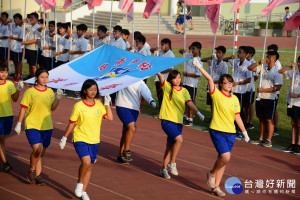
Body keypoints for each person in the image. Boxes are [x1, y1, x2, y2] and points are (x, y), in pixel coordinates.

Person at [192, 58, 250, 197]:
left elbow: (237, 117)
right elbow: (210, 79)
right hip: (217, 130)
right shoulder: (216, 94)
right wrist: (199, 66)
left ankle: (216, 187)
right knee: (226, 157)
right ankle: (211, 174)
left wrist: (245, 132)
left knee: (223, 160)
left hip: (231, 133)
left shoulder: (235, 99)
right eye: (226, 82)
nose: (229, 84)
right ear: (221, 84)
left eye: (231, 82)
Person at [58, 79, 113, 200]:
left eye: (95, 90)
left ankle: (83, 191)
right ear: (85, 90)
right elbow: (72, 123)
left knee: (90, 166)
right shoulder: (78, 106)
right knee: (86, 162)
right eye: (91, 90)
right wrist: (64, 137)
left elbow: (109, 118)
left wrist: (107, 104)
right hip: (80, 138)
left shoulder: (99, 104)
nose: (93, 92)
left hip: (94, 140)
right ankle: (79, 184)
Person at [15, 68, 63, 185]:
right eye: (42, 77)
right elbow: (23, 108)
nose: (45, 79)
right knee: (38, 149)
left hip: (47, 126)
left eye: (46, 77)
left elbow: (53, 108)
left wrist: (58, 98)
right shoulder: (30, 92)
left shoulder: (50, 92)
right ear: (36, 78)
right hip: (32, 125)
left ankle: (38, 175)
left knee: (42, 153)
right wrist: (19, 123)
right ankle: (31, 171)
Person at [157, 70, 204, 179]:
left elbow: (190, 103)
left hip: (178, 122)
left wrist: (198, 113)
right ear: (170, 79)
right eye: (175, 78)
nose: (178, 80)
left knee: (169, 146)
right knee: (179, 140)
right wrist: (158, 71)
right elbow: (160, 77)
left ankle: (163, 169)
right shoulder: (167, 87)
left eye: (179, 77)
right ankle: (172, 163)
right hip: (167, 120)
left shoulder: (184, 91)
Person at [248, 51, 283, 148]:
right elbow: (250, 68)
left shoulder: (277, 72)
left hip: (270, 99)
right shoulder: (262, 68)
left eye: (268, 57)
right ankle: (261, 137)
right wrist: (259, 62)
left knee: (268, 119)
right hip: (260, 98)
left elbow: (277, 88)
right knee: (261, 119)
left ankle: (269, 140)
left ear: (273, 59)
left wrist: (264, 90)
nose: (266, 59)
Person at [116, 81, 156, 163]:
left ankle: (120, 154)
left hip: (134, 108)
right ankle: (126, 151)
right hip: (122, 105)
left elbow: (145, 91)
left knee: (126, 131)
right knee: (132, 127)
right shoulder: (125, 75)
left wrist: (151, 100)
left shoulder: (140, 81)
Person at [0, 63, 23, 172]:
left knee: (3, 140)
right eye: (1, 72)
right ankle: (5, 163)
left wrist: (18, 89)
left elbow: (14, 99)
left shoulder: (9, 84)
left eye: (6, 71)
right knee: (1, 140)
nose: (4, 74)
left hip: (8, 116)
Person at [224, 46, 252, 134]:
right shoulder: (236, 62)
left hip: (240, 91)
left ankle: (240, 129)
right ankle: (232, 126)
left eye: (240, 52)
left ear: (246, 54)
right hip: (233, 90)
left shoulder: (248, 65)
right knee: (231, 109)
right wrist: (230, 57)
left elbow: (249, 79)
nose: (238, 54)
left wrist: (238, 83)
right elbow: (224, 59)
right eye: (238, 52)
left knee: (238, 110)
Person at [279, 57, 300, 154]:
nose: (299, 64)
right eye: (299, 62)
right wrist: (290, 67)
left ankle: (298, 145)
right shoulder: (294, 72)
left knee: (299, 124)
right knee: (293, 123)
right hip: (291, 102)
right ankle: (292, 143)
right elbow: (280, 71)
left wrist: (296, 95)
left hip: (298, 103)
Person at [179, 42, 202, 126]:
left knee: (191, 101)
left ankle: (191, 119)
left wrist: (187, 74)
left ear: (198, 49)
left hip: (192, 85)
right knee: (186, 101)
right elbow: (180, 51)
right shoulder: (189, 56)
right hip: (185, 82)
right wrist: (183, 50)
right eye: (191, 48)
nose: (192, 50)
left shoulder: (198, 61)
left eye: (194, 48)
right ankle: (187, 117)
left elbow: (198, 74)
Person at [151, 38, 175, 114]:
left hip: (165, 78)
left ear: (167, 45)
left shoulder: (171, 55)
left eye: (162, 45)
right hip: (158, 78)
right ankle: (161, 108)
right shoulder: (160, 52)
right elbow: (152, 51)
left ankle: (164, 110)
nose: (161, 46)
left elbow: (170, 68)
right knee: (159, 94)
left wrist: (159, 72)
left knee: (164, 95)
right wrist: (155, 49)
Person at [202, 46, 228, 113]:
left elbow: (224, 78)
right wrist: (210, 58)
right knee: (211, 102)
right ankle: (212, 116)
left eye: (219, 53)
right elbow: (202, 60)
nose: (217, 54)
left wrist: (213, 82)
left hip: (217, 86)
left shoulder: (224, 65)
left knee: (217, 103)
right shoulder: (213, 61)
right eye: (217, 53)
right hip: (211, 85)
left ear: (223, 54)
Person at [267, 44, 282, 136]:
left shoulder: (277, 64)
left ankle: (275, 128)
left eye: (271, 51)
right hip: (268, 91)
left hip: (275, 91)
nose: (269, 53)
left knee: (274, 109)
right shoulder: (267, 62)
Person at [22, 12, 42, 78]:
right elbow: (22, 24)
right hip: (28, 48)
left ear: (36, 19)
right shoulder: (29, 25)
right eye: (30, 18)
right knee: (29, 63)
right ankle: (31, 76)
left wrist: (26, 42)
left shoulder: (38, 27)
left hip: (34, 49)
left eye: (32, 18)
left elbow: (37, 40)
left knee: (34, 65)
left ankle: (35, 79)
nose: (31, 19)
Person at [244, 46, 258, 129]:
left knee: (250, 104)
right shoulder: (244, 61)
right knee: (245, 105)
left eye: (247, 52)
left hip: (250, 87)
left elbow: (256, 76)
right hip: (243, 87)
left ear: (251, 54)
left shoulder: (253, 63)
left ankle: (251, 122)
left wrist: (252, 82)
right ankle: (245, 120)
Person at [9, 13, 24, 82]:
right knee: (15, 62)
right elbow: (7, 23)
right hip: (12, 47)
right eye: (15, 18)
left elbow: (21, 39)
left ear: (20, 20)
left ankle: (19, 75)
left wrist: (13, 38)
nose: (15, 20)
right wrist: (9, 21)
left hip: (18, 48)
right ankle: (15, 75)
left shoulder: (21, 29)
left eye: (17, 19)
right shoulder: (12, 26)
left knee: (18, 62)